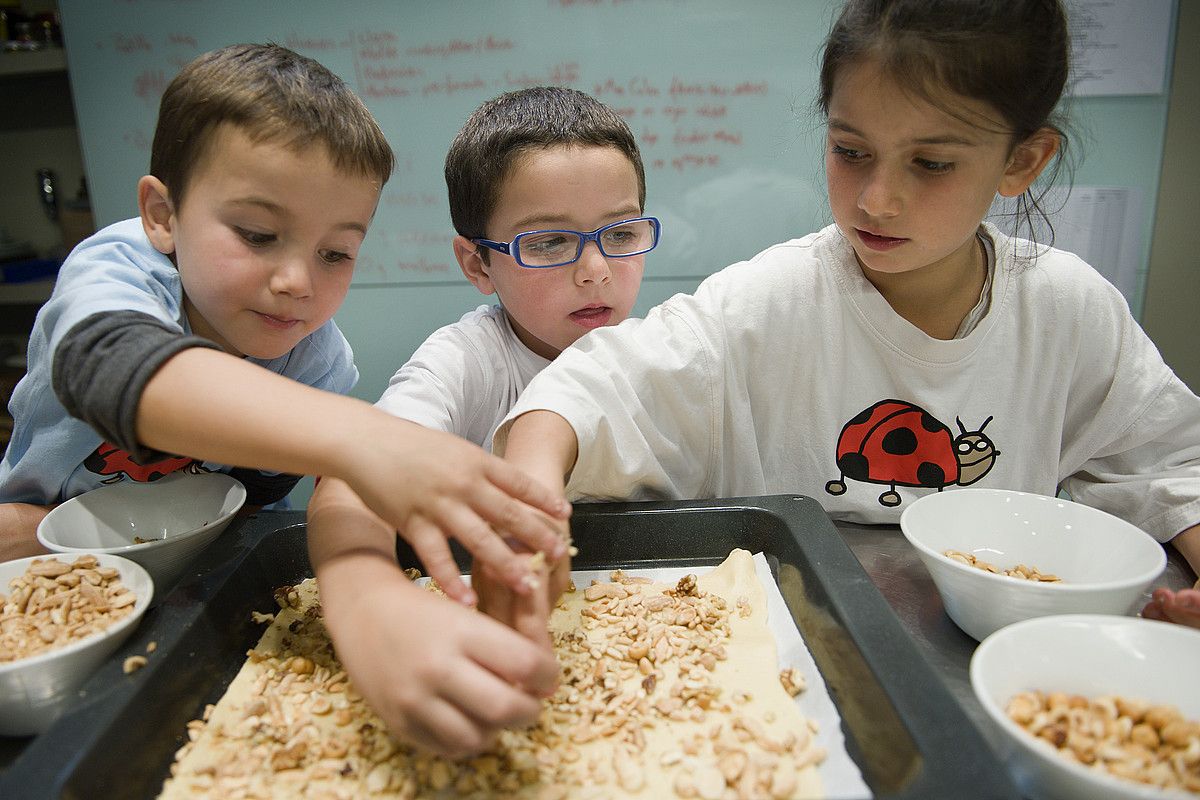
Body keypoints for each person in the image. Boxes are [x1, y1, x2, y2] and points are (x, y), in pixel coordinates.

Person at [492, 0, 1200, 632]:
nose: (877, 200)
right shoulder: (769, 305)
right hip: (790, 638)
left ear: (1023, 160)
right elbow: (593, 391)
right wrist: (530, 509)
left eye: (930, 163)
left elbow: (1170, 465)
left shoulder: (1066, 314)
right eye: (851, 152)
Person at [0, 44, 569, 569]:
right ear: (163, 215)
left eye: (335, 252)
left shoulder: (316, 360)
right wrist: (368, 436)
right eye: (257, 234)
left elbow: (255, 500)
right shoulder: (119, 270)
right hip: (32, 541)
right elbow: (111, 367)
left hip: (190, 558)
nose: (299, 282)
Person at [305, 86, 654, 756]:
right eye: (550, 241)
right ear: (478, 263)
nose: (596, 270)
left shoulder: (661, 351)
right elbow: (350, 480)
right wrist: (373, 605)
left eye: (621, 233)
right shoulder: (466, 361)